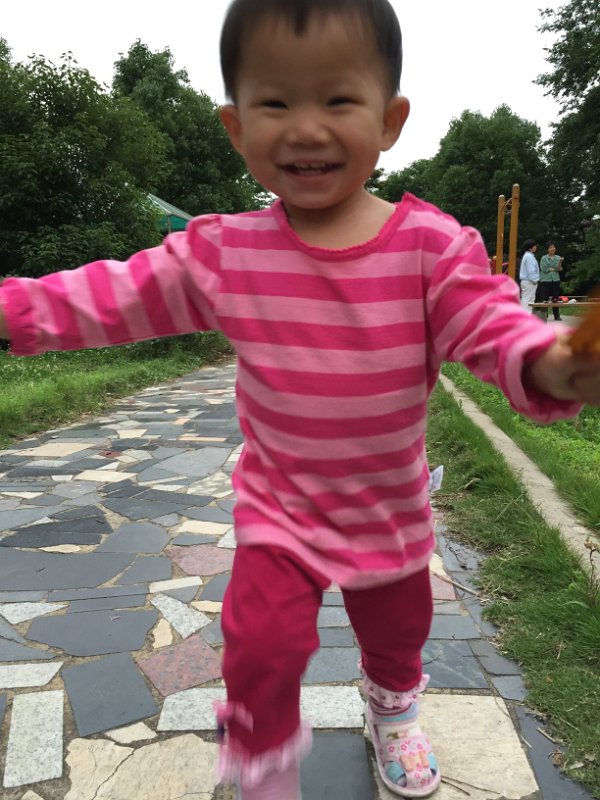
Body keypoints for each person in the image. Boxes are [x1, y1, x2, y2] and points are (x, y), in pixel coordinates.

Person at [1, 2, 600, 798]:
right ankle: (263, 758)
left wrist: (550, 365)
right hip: (280, 509)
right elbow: (113, 293)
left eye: (338, 100)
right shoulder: (227, 253)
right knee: (259, 645)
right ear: (236, 126)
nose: (307, 128)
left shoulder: (431, 249)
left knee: (398, 632)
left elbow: (490, 325)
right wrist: (13, 310)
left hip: (388, 506)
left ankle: (393, 706)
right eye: (276, 102)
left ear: (389, 121)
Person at [539, 242, 564, 321]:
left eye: (553, 247)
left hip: (555, 279)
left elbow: (559, 268)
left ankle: (556, 315)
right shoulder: (543, 258)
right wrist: (554, 269)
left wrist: (560, 262)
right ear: (547, 249)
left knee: (555, 297)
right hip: (545, 279)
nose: (552, 249)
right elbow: (543, 268)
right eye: (550, 247)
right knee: (545, 297)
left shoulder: (558, 257)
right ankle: (544, 315)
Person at [519, 239, 539, 312]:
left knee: (526, 299)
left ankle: (524, 315)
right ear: (530, 248)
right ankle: (526, 316)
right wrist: (535, 280)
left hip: (527, 281)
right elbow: (531, 270)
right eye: (534, 246)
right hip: (529, 281)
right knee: (528, 300)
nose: (535, 247)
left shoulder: (527, 256)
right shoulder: (529, 257)